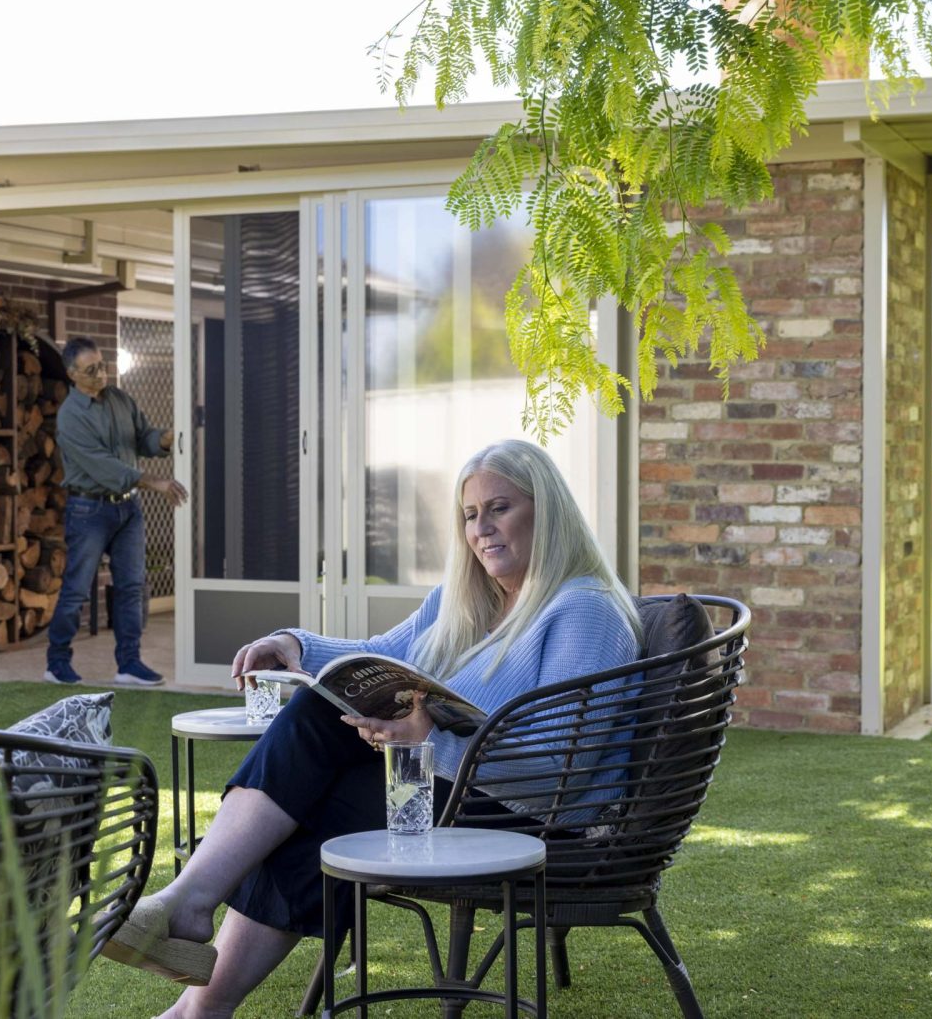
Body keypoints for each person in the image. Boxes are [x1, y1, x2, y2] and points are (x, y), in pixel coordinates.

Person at [101, 439, 644, 1017]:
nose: (481, 527)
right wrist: (295, 645)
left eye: (499, 508)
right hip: (456, 791)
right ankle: (190, 926)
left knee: (323, 808)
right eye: (469, 514)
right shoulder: (466, 602)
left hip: (535, 816)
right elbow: (376, 653)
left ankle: (193, 972)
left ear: (548, 510)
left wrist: (428, 742)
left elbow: (561, 769)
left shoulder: (584, 610)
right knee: (317, 716)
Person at [45, 335, 187, 686]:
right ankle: (56, 662)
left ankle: (129, 664)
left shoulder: (120, 399)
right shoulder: (70, 418)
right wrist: (154, 482)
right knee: (77, 589)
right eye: (91, 369)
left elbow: (142, 438)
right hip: (88, 510)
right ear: (72, 374)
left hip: (127, 510)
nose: (101, 374)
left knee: (132, 586)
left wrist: (164, 439)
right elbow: (104, 467)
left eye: (104, 365)